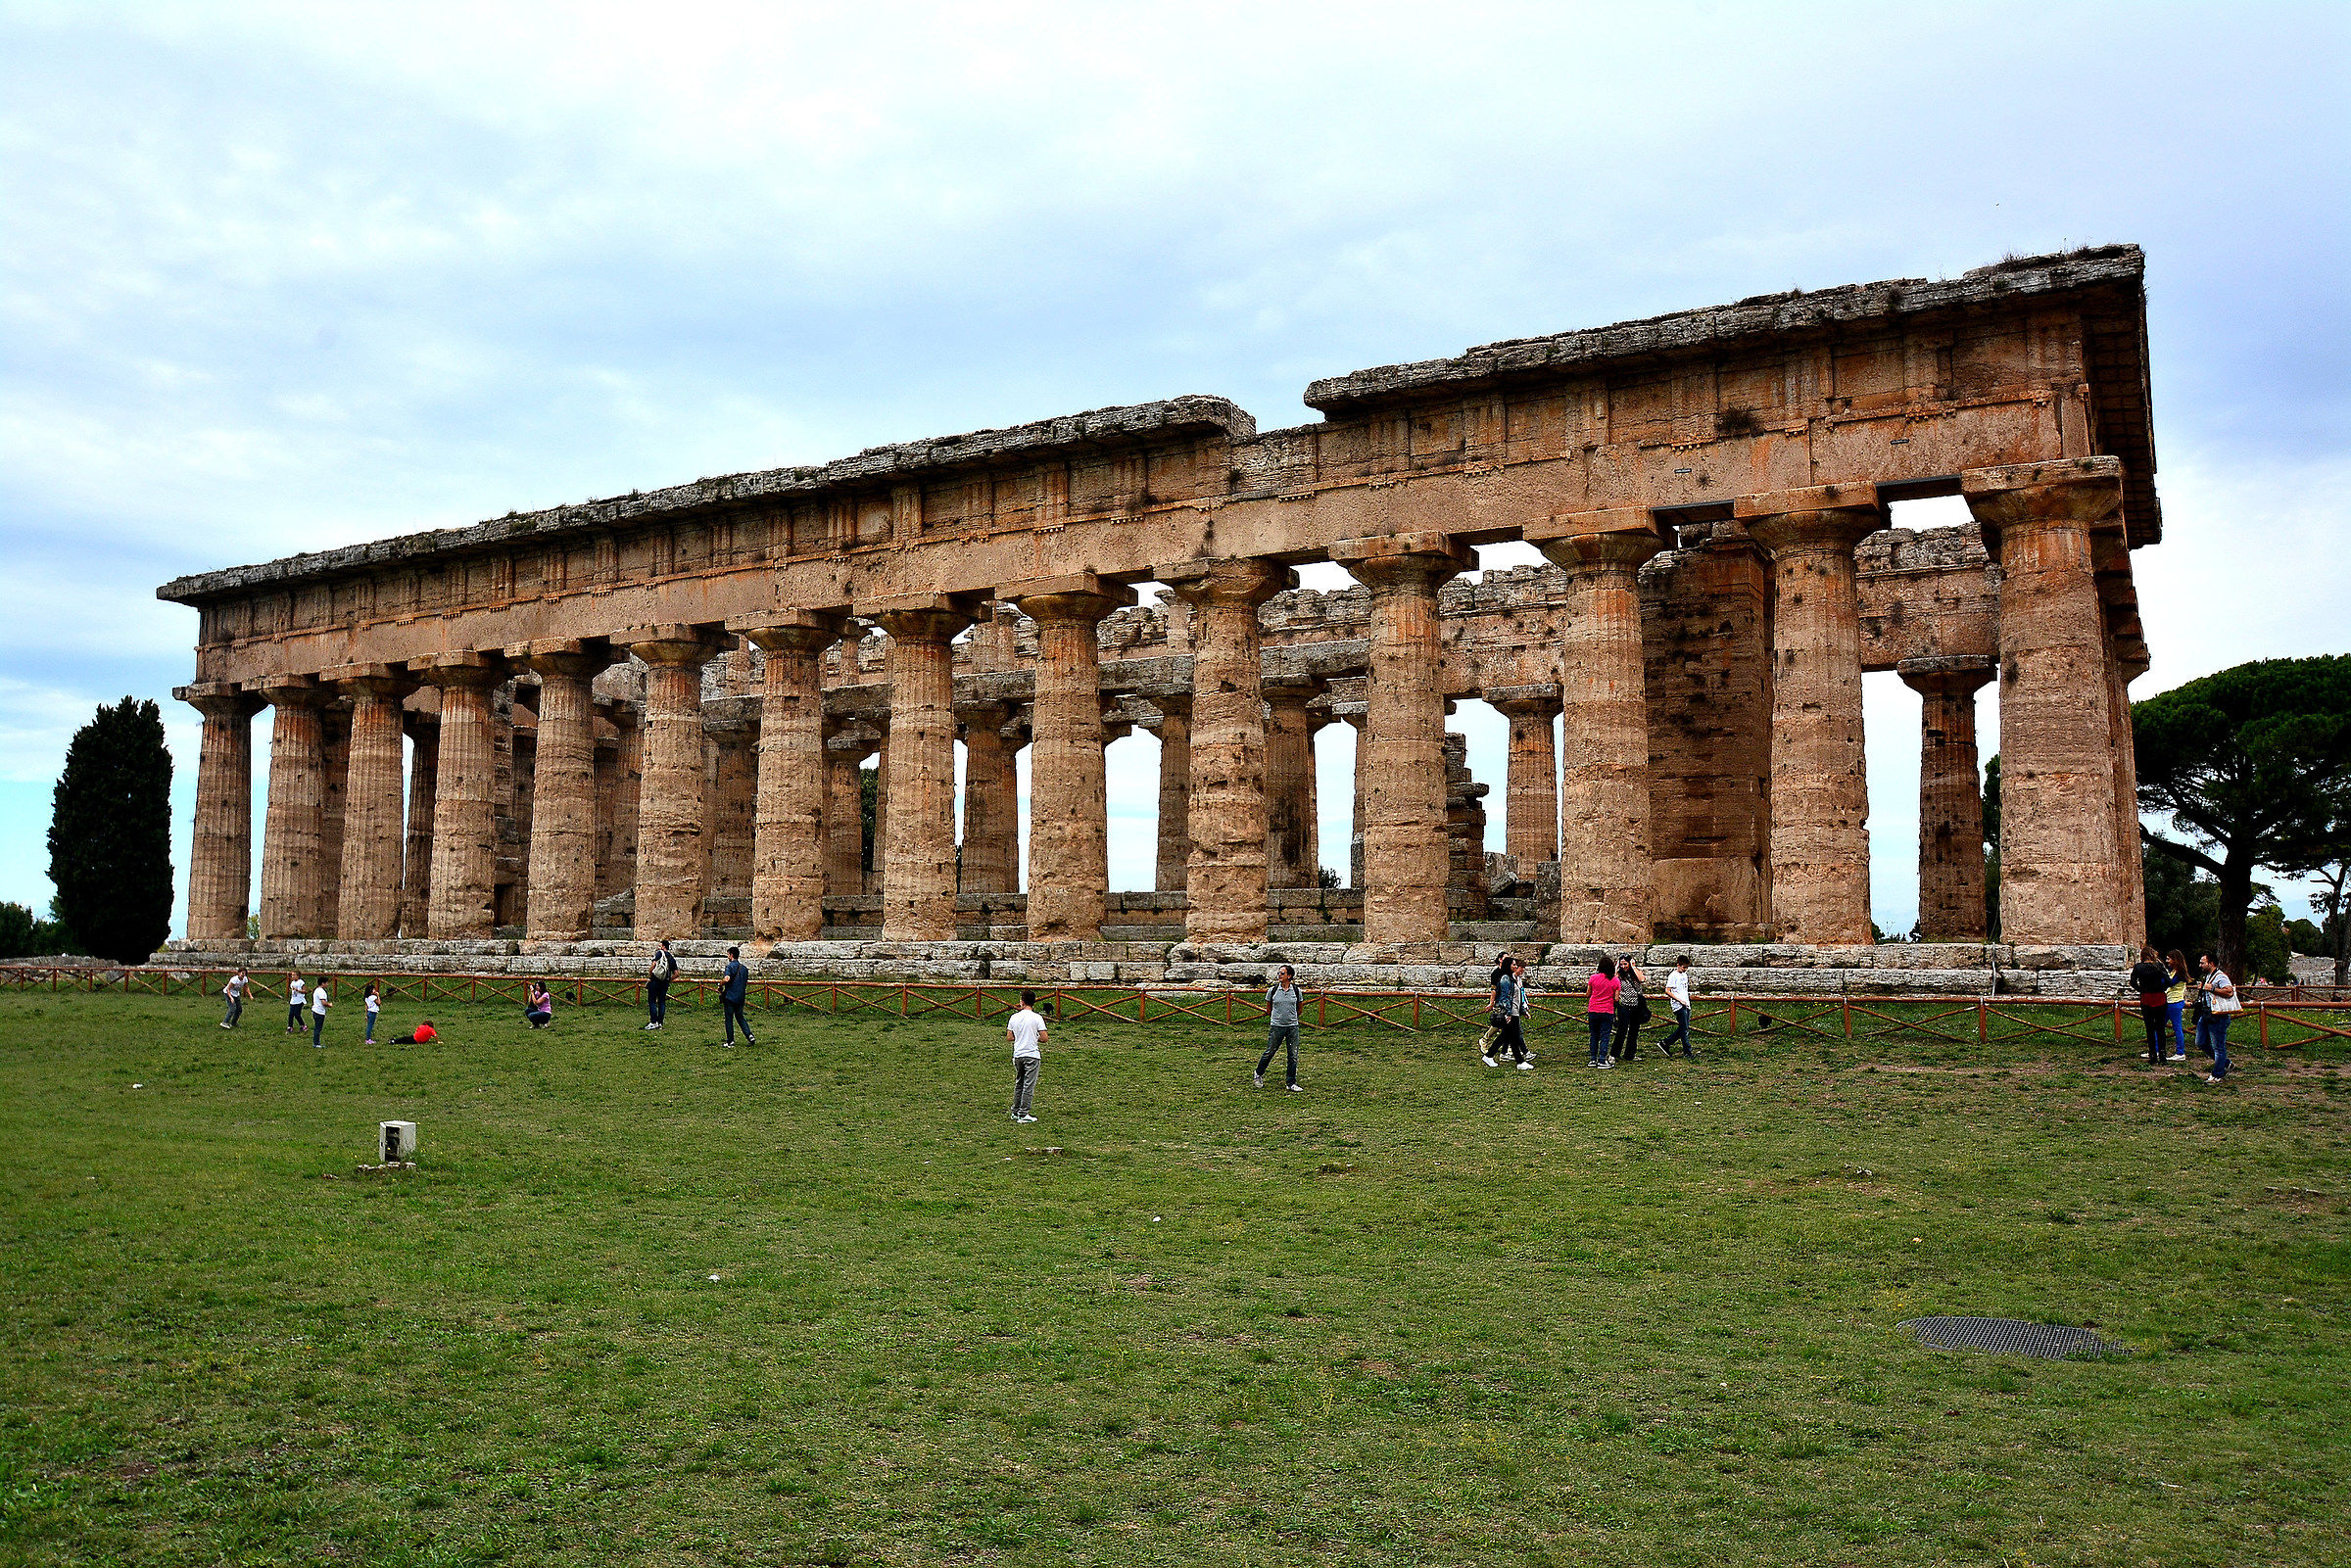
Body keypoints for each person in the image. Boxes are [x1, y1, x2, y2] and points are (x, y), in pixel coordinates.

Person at [1257, 964, 1305, 1090]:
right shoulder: (1272, 990)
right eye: (1279, 973)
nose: (1279, 975)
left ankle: (1291, 1083)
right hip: (1277, 1026)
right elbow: (1269, 1008)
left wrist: (1291, 1018)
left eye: (1282, 973)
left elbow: (1299, 1008)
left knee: (1293, 1055)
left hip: (1292, 1027)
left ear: (1289, 976)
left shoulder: (1296, 991)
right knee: (1270, 1052)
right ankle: (1258, 1073)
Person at [1484, 957, 1534, 1069]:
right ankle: (1520, 1062)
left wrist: (1523, 1010)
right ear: (1508, 966)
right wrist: (1508, 1013)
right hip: (1511, 1012)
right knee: (1513, 1036)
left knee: (1507, 1036)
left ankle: (1489, 1055)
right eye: (1514, 965)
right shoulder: (1505, 979)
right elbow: (1505, 998)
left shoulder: (1512, 978)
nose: (1516, 967)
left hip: (1514, 1011)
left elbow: (1517, 997)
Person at [2196, 953, 2238, 1082]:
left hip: (2218, 1015)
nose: (2200, 965)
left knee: (2218, 1047)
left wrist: (2212, 988)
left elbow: (2229, 992)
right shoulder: (2208, 976)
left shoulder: (2221, 977)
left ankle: (2217, 1074)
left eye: (2203, 963)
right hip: (2207, 1013)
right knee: (2201, 1042)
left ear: (2211, 963)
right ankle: (2226, 1063)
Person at [1007, 987, 1047, 1123]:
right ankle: (1024, 1113)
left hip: (1018, 1054)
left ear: (1022, 1002)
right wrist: (1034, 1037)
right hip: (1031, 1054)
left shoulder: (1014, 1017)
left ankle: (1015, 1110)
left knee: (1019, 1082)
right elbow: (1044, 1037)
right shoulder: (1037, 1018)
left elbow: (1009, 1036)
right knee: (1028, 1085)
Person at [2128, 945, 2170, 1066]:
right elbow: (2167, 981)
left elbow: (2133, 982)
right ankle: (2162, 1054)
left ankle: (2152, 1054)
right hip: (2159, 997)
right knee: (2161, 1027)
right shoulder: (2159, 966)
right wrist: (2162, 988)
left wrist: (2142, 990)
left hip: (2146, 997)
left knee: (2150, 1028)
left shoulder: (2139, 967)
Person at [1475, 950, 1514, 1059]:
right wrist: (1491, 1003)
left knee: (1507, 1025)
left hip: (1507, 1001)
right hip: (1500, 1002)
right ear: (1500, 959)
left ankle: (1509, 1049)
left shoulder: (1509, 972)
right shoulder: (1496, 973)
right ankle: (1485, 1040)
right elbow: (1494, 990)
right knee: (1499, 1024)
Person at [1612, 957, 1650, 1061]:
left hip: (1636, 1006)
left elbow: (1641, 979)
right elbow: (1613, 980)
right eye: (1622, 964)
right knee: (1622, 1031)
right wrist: (1616, 967)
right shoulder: (1619, 975)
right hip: (1624, 1005)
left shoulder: (1635, 972)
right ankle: (1614, 1054)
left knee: (1634, 1031)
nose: (1624, 966)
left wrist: (1633, 967)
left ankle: (1630, 1054)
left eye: (1625, 964)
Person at [1586, 956, 1620, 1069]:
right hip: (1607, 1010)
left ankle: (1593, 1058)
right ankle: (1602, 1059)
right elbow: (1616, 998)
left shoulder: (1593, 978)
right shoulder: (1615, 980)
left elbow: (1588, 993)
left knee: (1594, 1035)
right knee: (1605, 1035)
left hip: (1593, 1009)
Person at [718, 945, 754, 1047]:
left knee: (729, 1018)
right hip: (741, 997)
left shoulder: (729, 967)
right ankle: (749, 1035)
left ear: (731, 955)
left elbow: (727, 979)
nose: (727, 957)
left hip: (730, 997)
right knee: (740, 1017)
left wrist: (720, 984)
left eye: (728, 955)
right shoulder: (744, 969)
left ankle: (730, 1041)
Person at [1662, 956, 1697, 1057]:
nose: (1685, 969)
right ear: (1678, 965)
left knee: (1684, 1028)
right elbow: (1667, 990)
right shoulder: (1673, 976)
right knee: (1684, 1029)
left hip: (1686, 1004)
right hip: (1678, 1005)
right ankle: (1687, 1051)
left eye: (1686, 968)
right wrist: (1679, 1000)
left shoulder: (1684, 975)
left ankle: (1666, 1043)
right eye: (1684, 967)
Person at [2164, 950, 2191, 1062]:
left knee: (2177, 1028)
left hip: (2174, 1002)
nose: (2167, 961)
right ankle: (2156, 1049)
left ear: (2175, 960)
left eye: (2169, 959)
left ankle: (2180, 1052)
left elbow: (2170, 983)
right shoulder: (2174, 971)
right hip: (2170, 1001)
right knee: (2160, 1026)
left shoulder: (2179, 973)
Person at [645, 939, 676, 1030]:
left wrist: (650, 975)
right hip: (664, 982)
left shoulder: (659, 953)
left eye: (660, 945)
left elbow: (654, 964)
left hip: (655, 981)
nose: (659, 947)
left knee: (652, 1001)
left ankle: (653, 1022)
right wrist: (669, 980)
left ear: (663, 947)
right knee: (662, 1002)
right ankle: (660, 1023)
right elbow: (677, 973)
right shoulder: (671, 958)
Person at [309, 977, 330, 1048]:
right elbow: (323, 1002)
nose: (328, 984)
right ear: (323, 983)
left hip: (315, 1010)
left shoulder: (317, 990)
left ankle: (316, 1042)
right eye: (327, 983)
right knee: (318, 1028)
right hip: (319, 1012)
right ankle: (316, 1043)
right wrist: (329, 1004)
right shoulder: (321, 992)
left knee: (317, 1027)